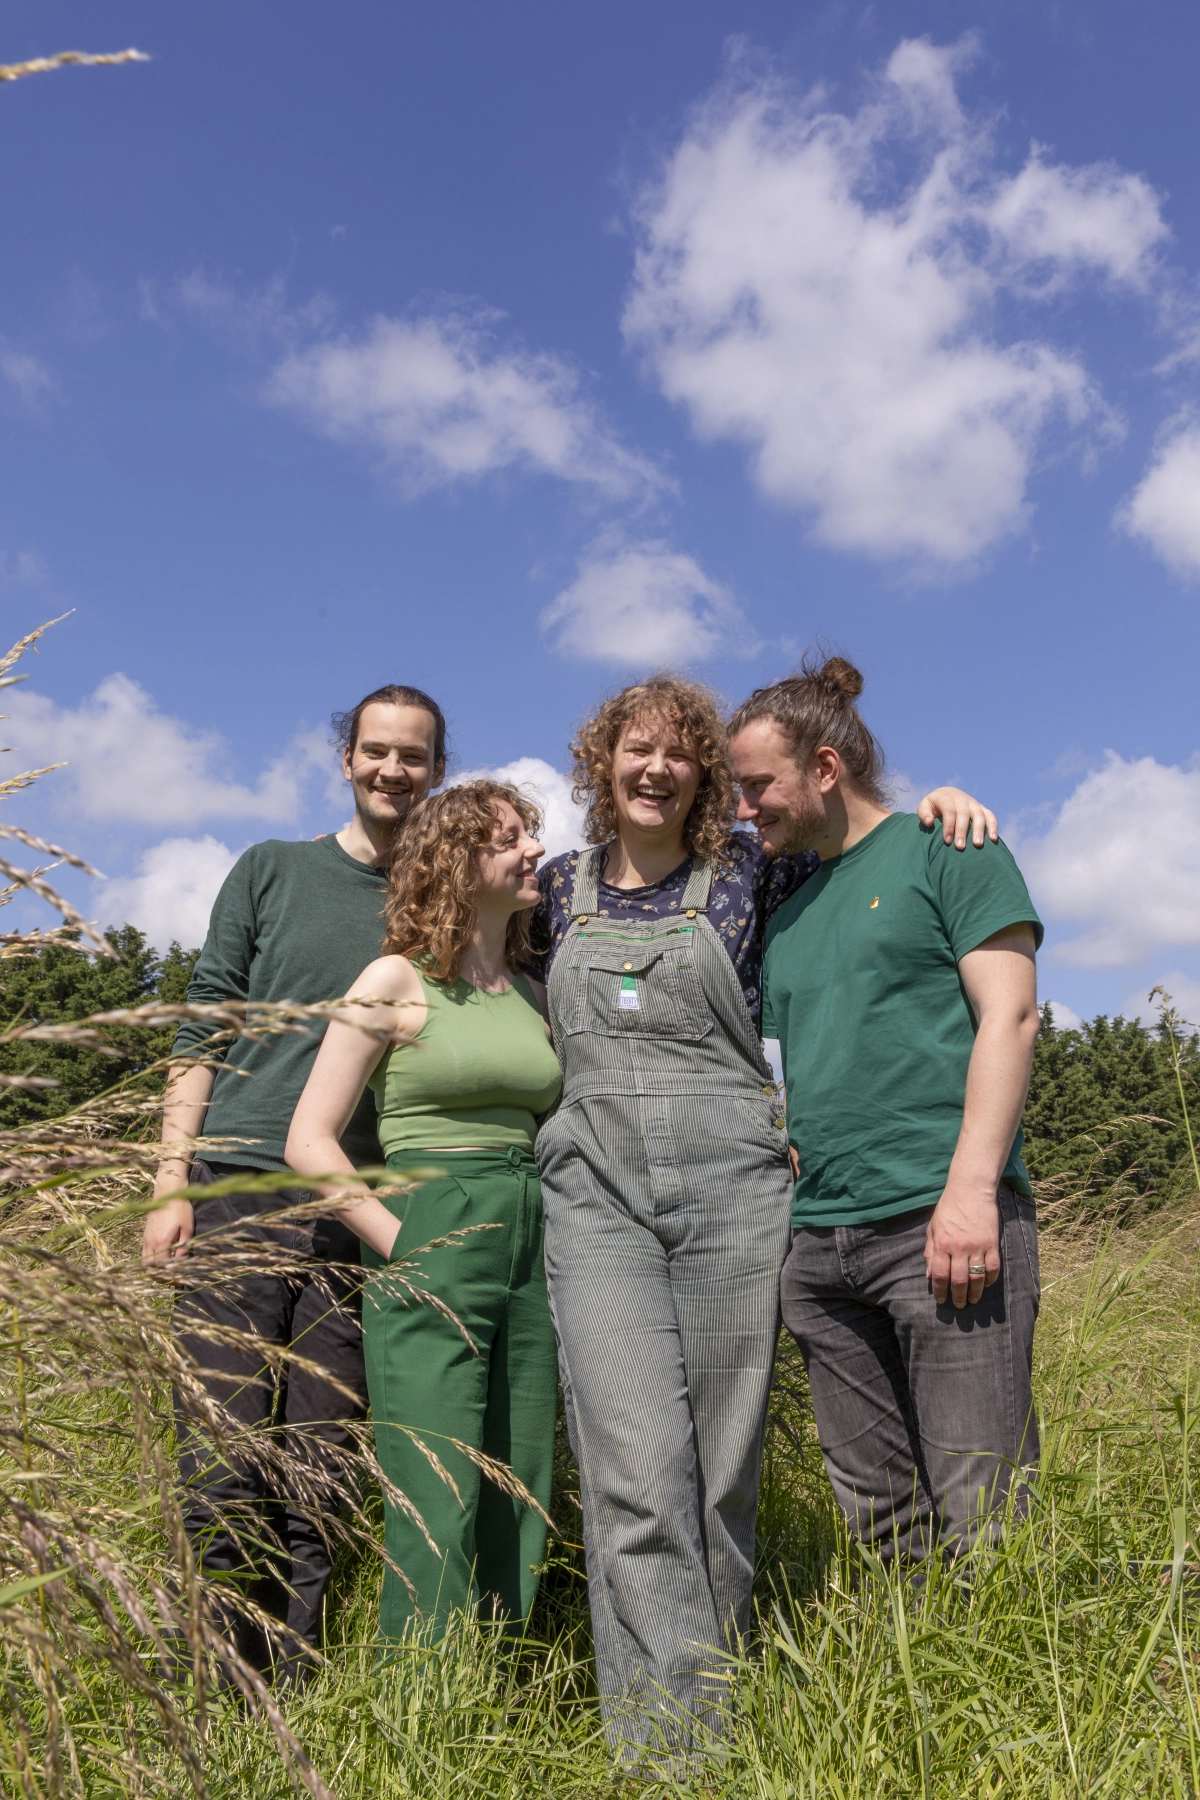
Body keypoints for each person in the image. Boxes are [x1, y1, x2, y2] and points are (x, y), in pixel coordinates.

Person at [528, 673, 995, 1757]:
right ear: (602, 762)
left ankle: (713, 1719)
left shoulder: (753, 871)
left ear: (703, 774)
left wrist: (939, 803)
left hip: (734, 1192)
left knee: (719, 1476)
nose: (655, 769)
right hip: (595, 1197)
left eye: (679, 753)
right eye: (634, 749)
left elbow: (859, 835)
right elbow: (447, 940)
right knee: (636, 1479)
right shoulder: (553, 891)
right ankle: (669, 1752)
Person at [142, 683, 447, 1679]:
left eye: (412, 755)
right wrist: (172, 1182)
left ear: (436, 770)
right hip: (235, 1188)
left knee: (321, 1468)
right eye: (377, 750)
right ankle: (218, 1684)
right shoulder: (271, 870)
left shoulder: (439, 905)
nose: (393, 770)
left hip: (355, 1209)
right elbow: (205, 1022)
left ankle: (297, 1684)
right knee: (222, 1457)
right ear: (346, 758)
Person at [729, 654, 1042, 1563]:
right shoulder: (788, 910)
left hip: (940, 1224)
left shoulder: (948, 849)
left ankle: (1007, 1658)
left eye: (759, 785)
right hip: (820, 1249)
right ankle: (909, 1662)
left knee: (984, 1509)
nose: (745, 808)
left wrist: (970, 1194)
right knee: (882, 1522)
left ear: (825, 768)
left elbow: (1011, 1017)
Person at [286, 781, 562, 1642]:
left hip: (532, 1229)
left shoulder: (529, 992)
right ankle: (420, 1689)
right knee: (436, 1482)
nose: (532, 850)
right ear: (455, 861)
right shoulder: (394, 979)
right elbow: (309, 1140)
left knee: (521, 1478)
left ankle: (498, 1680)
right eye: (509, 839)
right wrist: (405, 1244)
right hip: (435, 1221)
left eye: (529, 835)